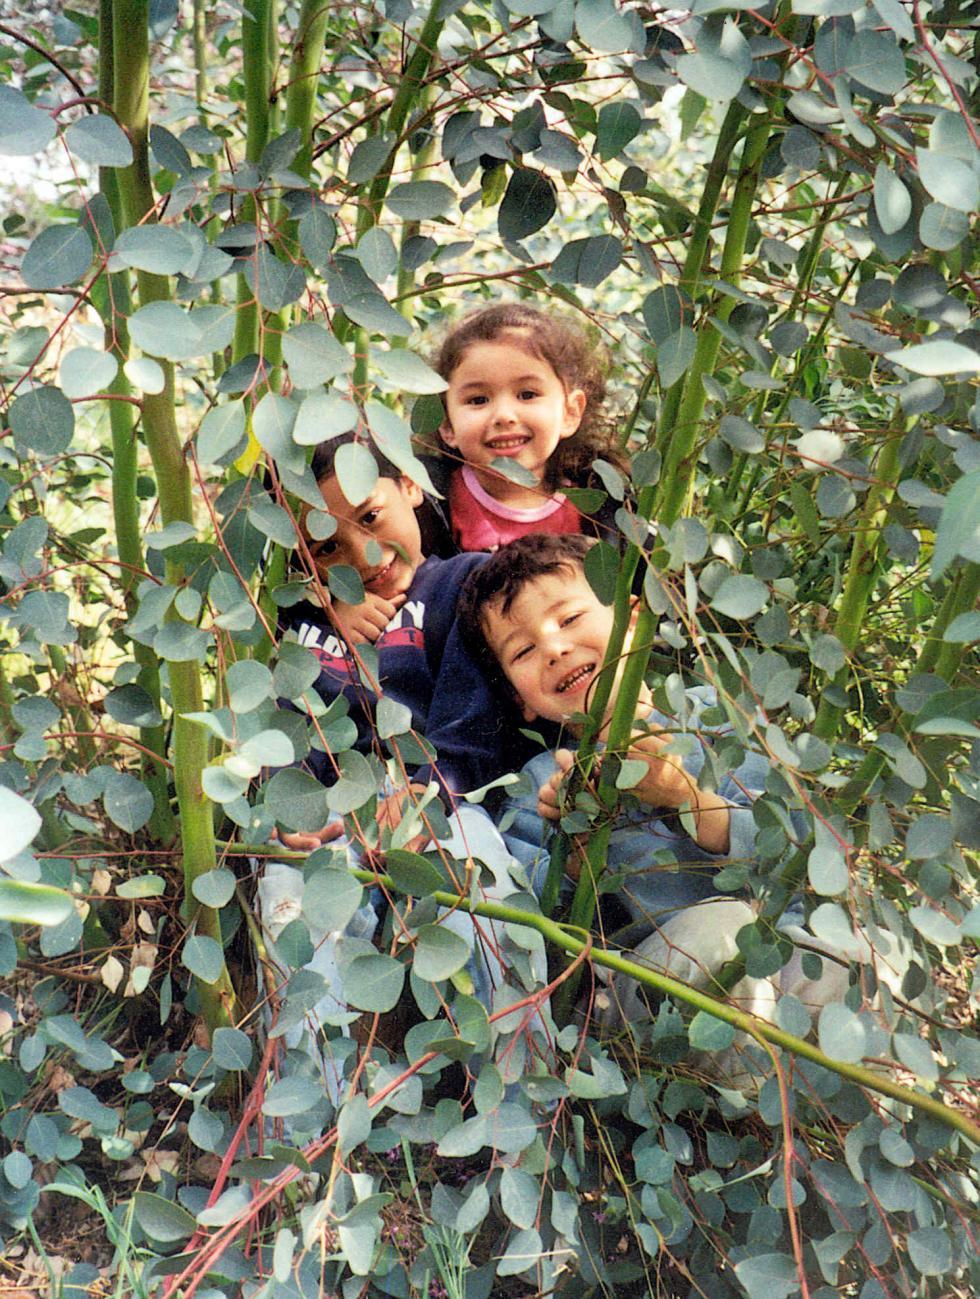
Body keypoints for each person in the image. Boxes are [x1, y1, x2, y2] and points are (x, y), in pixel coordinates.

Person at [456, 533, 789, 1046]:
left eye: (568, 619)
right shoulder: (535, 790)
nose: (554, 648)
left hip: (785, 957)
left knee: (846, 959)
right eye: (523, 650)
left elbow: (794, 854)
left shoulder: (720, 720)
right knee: (723, 932)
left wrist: (686, 798)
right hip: (649, 995)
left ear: (635, 620)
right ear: (517, 699)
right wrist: (577, 854)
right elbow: (546, 941)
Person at [429, 302, 626, 551]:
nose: (504, 416)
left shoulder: (597, 512)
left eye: (527, 394)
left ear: (570, 412)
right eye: (478, 400)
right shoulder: (432, 502)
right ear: (446, 423)